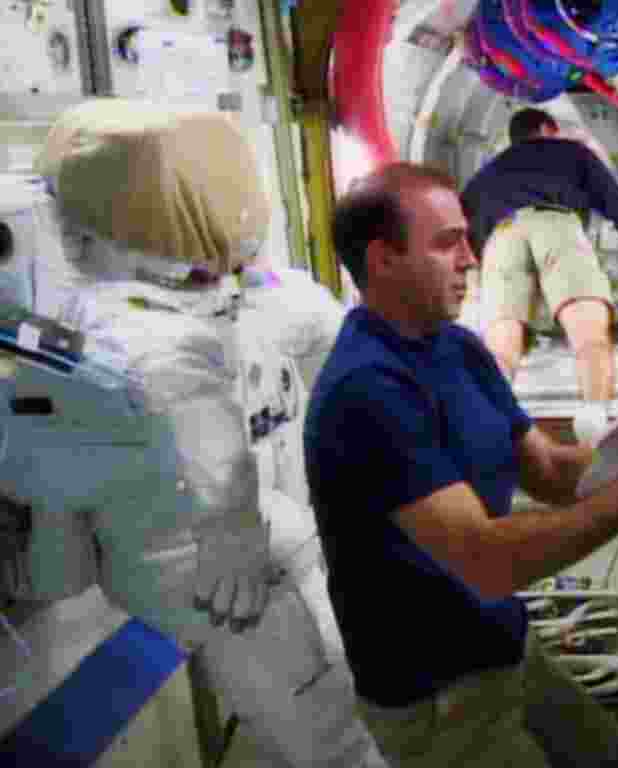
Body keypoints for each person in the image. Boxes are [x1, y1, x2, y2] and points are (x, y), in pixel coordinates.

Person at [1, 98, 385, 767]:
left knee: (328, 745)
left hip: (223, 584)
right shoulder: (255, 296)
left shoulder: (136, 343)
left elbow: (197, 435)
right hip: (276, 547)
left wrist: (229, 538)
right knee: (335, 722)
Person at [303, 161, 618, 768]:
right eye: (447, 243)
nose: (471, 260)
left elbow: (550, 472)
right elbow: (488, 560)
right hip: (437, 696)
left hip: (503, 643)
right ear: (382, 260)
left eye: (467, 241)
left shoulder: (457, 349)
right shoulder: (368, 390)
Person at [460, 108, 618, 442]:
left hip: (501, 239)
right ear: (546, 129)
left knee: (501, 349)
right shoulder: (569, 151)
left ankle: (488, 427)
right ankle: (594, 426)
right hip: (556, 226)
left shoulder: (487, 173)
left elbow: (465, 227)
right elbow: (614, 199)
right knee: (589, 336)